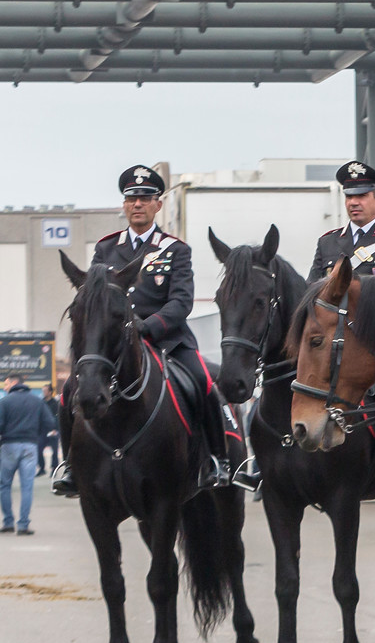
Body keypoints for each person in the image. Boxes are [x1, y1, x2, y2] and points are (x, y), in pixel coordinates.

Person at [54, 165, 232, 496]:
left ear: (157, 205)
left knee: (204, 384)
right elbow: (96, 296)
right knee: (68, 392)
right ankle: (69, 464)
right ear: (124, 205)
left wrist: (147, 327)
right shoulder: (106, 249)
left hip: (166, 340)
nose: (138, 204)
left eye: (145, 198)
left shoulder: (175, 249)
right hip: (116, 346)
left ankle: (216, 460)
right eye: (132, 198)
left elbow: (181, 302)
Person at [307, 160, 375, 494]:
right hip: (331, 339)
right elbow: (312, 294)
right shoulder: (328, 243)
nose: (354, 202)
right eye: (350, 196)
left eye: (362, 195)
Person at [0, 376, 55, 535]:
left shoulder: (5, 402)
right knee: (27, 487)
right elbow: (50, 423)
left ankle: (8, 522)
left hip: (9, 446)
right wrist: (36, 434)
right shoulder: (37, 402)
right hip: (30, 446)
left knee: (4, 485)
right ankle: (23, 525)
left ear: (14, 384)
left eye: (7, 384)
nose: (5, 387)